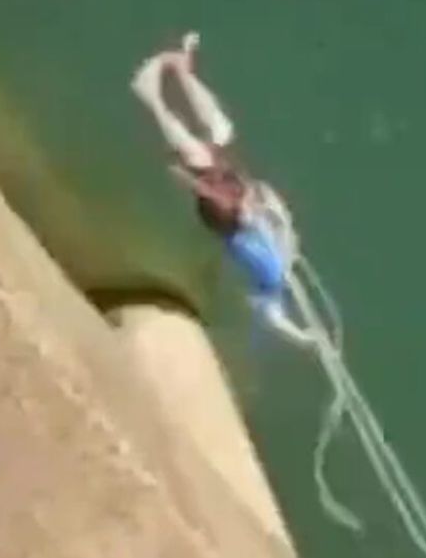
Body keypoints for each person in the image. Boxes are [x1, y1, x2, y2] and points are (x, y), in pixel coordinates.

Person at [131, 32, 315, 348]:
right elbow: (281, 220)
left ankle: (151, 95)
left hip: (228, 212)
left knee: (198, 154)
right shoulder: (281, 262)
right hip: (239, 205)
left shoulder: (265, 284)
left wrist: (302, 337)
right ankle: (181, 70)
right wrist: (274, 210)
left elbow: (274, 319)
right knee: (220, 130)